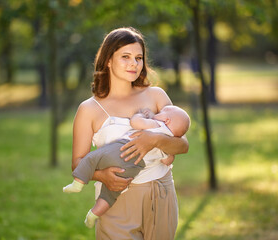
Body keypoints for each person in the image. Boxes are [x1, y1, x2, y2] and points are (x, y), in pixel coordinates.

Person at [70, 27, 189, 239]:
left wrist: (153, 140)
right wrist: (102, 176)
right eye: (125, 57)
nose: (134, 63)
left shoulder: (155, 95)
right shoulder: (89, 109)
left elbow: (183, 145)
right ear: (108, 60)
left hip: (160, 192)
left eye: (138, 57)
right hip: (116, 199)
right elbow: (77, 162)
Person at [63, 105, 190, 228]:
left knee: (92, 158)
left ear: (166, 120)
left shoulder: (156, 124)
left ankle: (78, 184)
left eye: (161, 112)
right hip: (134, 168)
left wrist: (140, 115)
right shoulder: (167, 141)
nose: (157, 113)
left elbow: (135, 123)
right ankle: (93, 214)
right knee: (110, 195)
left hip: (123, 150)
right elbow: (167, 161)